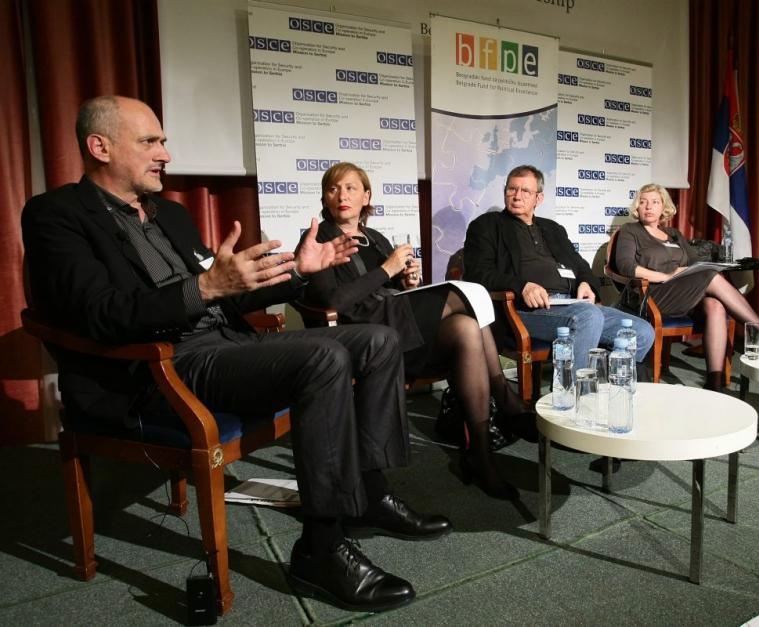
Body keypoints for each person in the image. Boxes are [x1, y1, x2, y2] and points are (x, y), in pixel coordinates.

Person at [21, 96, 452, 613]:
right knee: (323, 358)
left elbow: (230, 295)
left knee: (377, 340)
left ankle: (370, 493)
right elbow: (99, 314)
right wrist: (203, 289)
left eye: (163, 141)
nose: (165, 153)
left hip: (227, 345)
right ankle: (320, 546)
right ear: (100, 147)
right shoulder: (56, 215)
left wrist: (298, 272)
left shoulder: (171, 215)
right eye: (150, 141)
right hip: (160, 366)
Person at [297, 162, 533, 501]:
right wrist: (386, 269)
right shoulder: (319, 239)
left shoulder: (376, 238)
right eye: (333, 189)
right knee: (465, 293)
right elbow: (333, 302)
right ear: (325, 197)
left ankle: (480, 456)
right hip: (366, 333)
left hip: (396, 319)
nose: (342, 195)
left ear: (366, 197)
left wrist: (406, 281)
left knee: (466, 327)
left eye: (350, 188)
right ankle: (505, 397)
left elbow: (390, 289)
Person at [463, 165, 655, 372]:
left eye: (525, 191)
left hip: (572, 305)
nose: (517, 196)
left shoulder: (552, 228)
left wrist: (586, 283)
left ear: (538, 198)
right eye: (512, 189)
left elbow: (580, 265)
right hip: (523, 310)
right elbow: (477, 273)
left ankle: (604, 382)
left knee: (642, 331)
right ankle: (573, 389)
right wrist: (522, 286)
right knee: (589, 317)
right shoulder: (487, 225)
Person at [614, 183, 759, 391]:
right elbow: (625, 266)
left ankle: (715, 381)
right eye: (643, 202)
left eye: (655, 202)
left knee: (715, 306)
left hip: (683, 293)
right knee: (712, 277)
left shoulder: (674, 234)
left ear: (663, 207)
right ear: (637, 207)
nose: (648, 206)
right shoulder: (630, 231)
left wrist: (700, 267)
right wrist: (664, 276)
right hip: (652, 294)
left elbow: (695, 261)